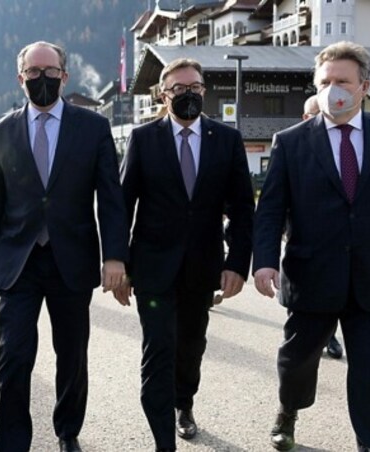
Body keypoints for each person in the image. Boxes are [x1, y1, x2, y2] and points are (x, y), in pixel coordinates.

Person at [253, 41, 370, 452]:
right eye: (324, 81)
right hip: (311, 275)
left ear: (363, 87)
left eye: (342, 81)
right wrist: (264, 262)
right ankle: (288, 409)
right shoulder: (291, 141)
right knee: (296, 363)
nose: (332, 89)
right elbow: (270, 210)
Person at [0, 41, 129, 452]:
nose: (41, 78)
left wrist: (114, 256)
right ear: (20, 77)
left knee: (72, 357)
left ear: (65, 75)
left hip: (72, 262)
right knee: (14, 359)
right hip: (17, 263)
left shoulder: (92, 128)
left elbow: (111, 198)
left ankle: (67, 431)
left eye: (50, 70)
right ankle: (11, 443)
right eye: (33, 71)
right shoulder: (1, 130)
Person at [114, 58, 255, 451]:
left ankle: (184, 403)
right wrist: (120, 264)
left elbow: (244, 207)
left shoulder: (226, 139)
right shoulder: (144, 139)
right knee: (158, 349)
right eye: (178, 88)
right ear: (163, 94)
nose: (187, 93)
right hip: (153, 268)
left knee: (191, 346)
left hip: (203, 267)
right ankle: (163, 440)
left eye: (194, 86)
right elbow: (122, 205)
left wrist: (236, 264)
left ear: (204, 91)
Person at [302, 96, 344, 360]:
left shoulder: (348, 146)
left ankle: (330, 337)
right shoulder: (291, 144)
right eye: (315, 113)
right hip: (306, 248)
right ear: (306, 118)